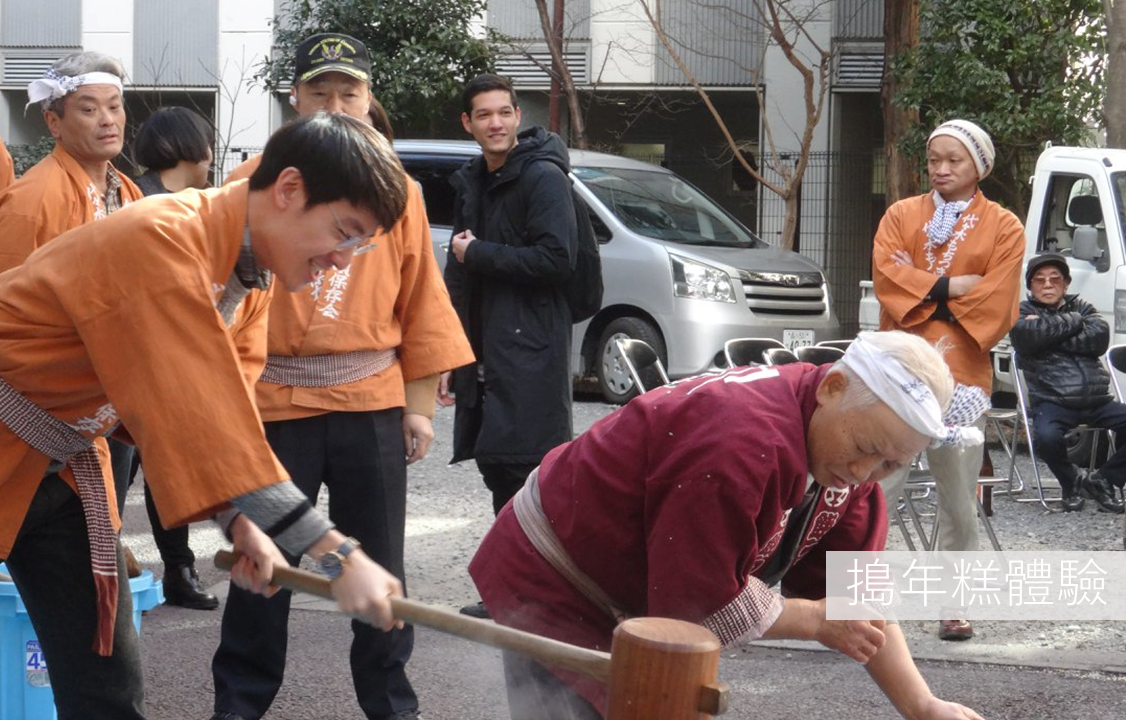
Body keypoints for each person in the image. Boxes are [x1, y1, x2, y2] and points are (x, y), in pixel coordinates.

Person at [0, 112, 410, 720]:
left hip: (62, 468)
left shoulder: (253, 281)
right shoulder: (159, 235)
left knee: (105, 687)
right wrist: (333, 553)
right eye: (344, 233)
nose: (344, 261)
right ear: (290, 189)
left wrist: (243, 522)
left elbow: (227, 420)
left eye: (361, 245)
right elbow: (203, 414)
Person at [469, 331, 988, 720]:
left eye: (890, 466)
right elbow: (697, 606)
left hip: (633, 593)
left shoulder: (848, 463)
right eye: (865, 449)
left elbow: (855, 602)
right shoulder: (739, 442)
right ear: (832, 387)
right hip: (555, 573)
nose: (863, 474)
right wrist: (810, 619)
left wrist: (923, 705)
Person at [209, 33, 472, 720]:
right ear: (294, 99)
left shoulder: (398, 189)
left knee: (377, 567)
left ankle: (391, 704)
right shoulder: (255, 182)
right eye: (319, 92)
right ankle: (238, 705)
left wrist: (418, 404)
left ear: (368, 98)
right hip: (272, 397)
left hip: (369, 399)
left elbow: (421, 293)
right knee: (263, 566)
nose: (335, 104)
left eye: (348, 92)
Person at [872, 119, 1024, 641]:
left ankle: (952, 602)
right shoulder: (900, 214)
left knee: (958, 498)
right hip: (898, 371)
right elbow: (887, 276)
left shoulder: (1005, 226)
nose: (940, 168)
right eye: (934, 158)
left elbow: (998, 300)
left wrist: (925, 296)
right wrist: (951, 286)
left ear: (978, 166)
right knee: (877, 490)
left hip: (963, 377)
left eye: (953, 160)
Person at [437, 73, 577, 617]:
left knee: (529, 473)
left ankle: (537, 596)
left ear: (518, 116)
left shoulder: (542, 178)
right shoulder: (475, 178)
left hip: (532, 344)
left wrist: (482, 254)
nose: (496, 123)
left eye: (505, 112)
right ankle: (513, 593)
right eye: (484, 115)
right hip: (486, 342)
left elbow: (556, 260)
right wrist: (449, 348)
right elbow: (459, 265)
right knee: (496, 465)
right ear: (467, 124)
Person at [108, 106, 220, 610]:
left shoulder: (179, 201)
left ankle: (176, 569)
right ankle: (133, 572)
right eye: (208, 145)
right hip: (135, 368)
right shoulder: (145, 206)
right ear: (192, 150)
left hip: (157, 364)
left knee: (152, 471)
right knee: (127, 472)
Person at [0, 51, 143, 274]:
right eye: (89, 110)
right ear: (54, 122)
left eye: (114, 107)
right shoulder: (32, 199)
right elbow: (8, 297)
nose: (108, 120)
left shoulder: (128, 190)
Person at [1009, 253, 1126, 513]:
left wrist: (1047, 332)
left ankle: (1103, 479)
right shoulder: (1021, 313)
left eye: (1054, 279)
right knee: (1047, 438)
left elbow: (1098, 339)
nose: (1047, 284)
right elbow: (1028, 338)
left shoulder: (1084, 306)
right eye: (1039, 280)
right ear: (1030, 287)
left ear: (1066, 284)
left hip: (1097, 399)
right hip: (1051, 401)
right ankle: (1070, 480)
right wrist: (1075, 323)